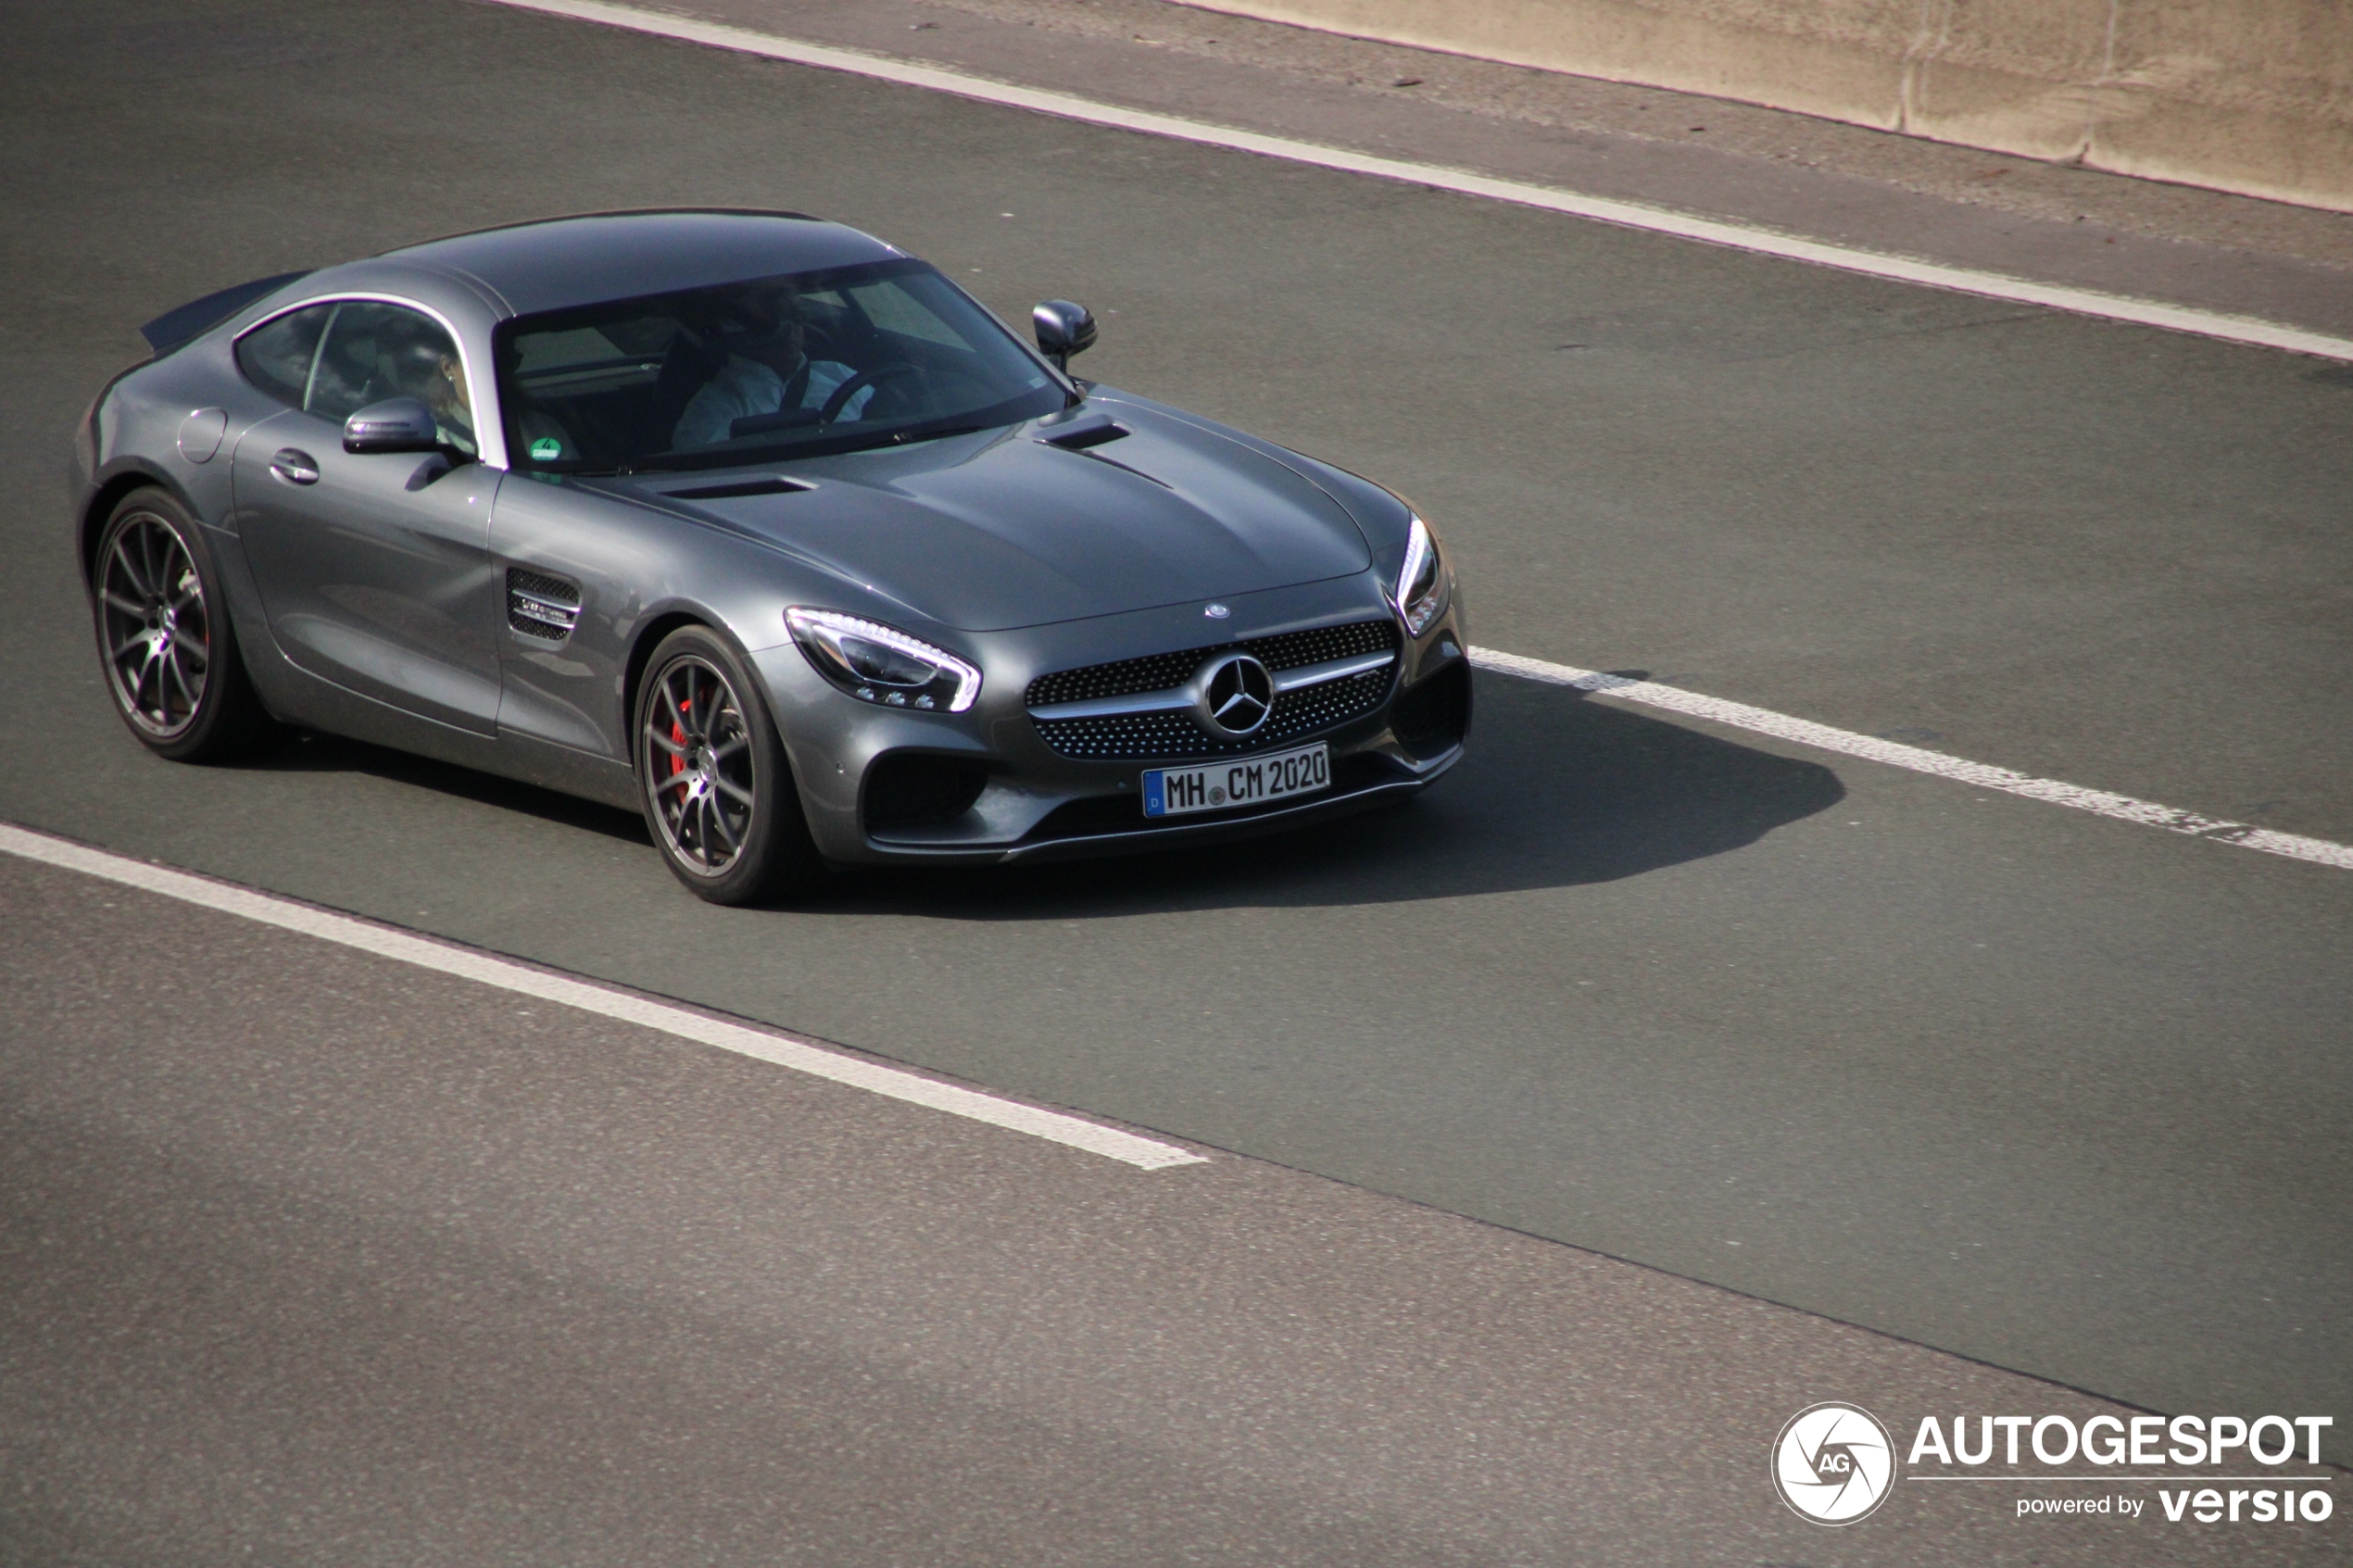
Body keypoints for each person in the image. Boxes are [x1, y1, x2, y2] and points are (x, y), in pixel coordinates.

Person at [671, 287, 870, 450]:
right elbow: (707, 473)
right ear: (740, 332)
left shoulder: (841, 376)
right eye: (771, 323)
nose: (789, 330)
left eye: (796, 315)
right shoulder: (715, 406)